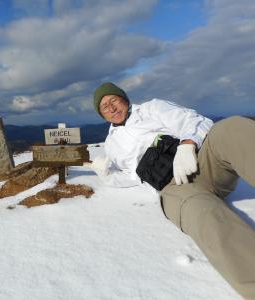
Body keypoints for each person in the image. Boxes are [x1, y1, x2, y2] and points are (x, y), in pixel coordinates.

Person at [86, 82, 255, 299]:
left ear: (124, 99)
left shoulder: (152, 109)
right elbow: (132, 176)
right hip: (173, 188)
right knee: (203, 214)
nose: (111, 108)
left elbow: (195, 121)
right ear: (102, 115)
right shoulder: (112, 144)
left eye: (113, 100)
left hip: (201, 162)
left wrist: (187, 144)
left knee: (231, 128)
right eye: (104, 107)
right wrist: (107, 176)